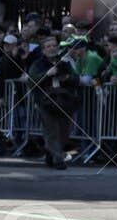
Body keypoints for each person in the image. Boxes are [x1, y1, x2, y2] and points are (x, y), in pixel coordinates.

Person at [27, 35, 79, 168]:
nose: (51, 48)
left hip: (65, 101)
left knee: (64, 131)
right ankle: (58, 159)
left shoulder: (65, 62)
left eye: (54, 45)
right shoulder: (38, 64)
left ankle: (51, 153)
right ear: (43, 50)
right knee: (51, 130)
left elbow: (75, 79)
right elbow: (31, 82)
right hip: (46, 102)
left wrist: (66, 78)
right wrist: (46, 75)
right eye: (48, 46)